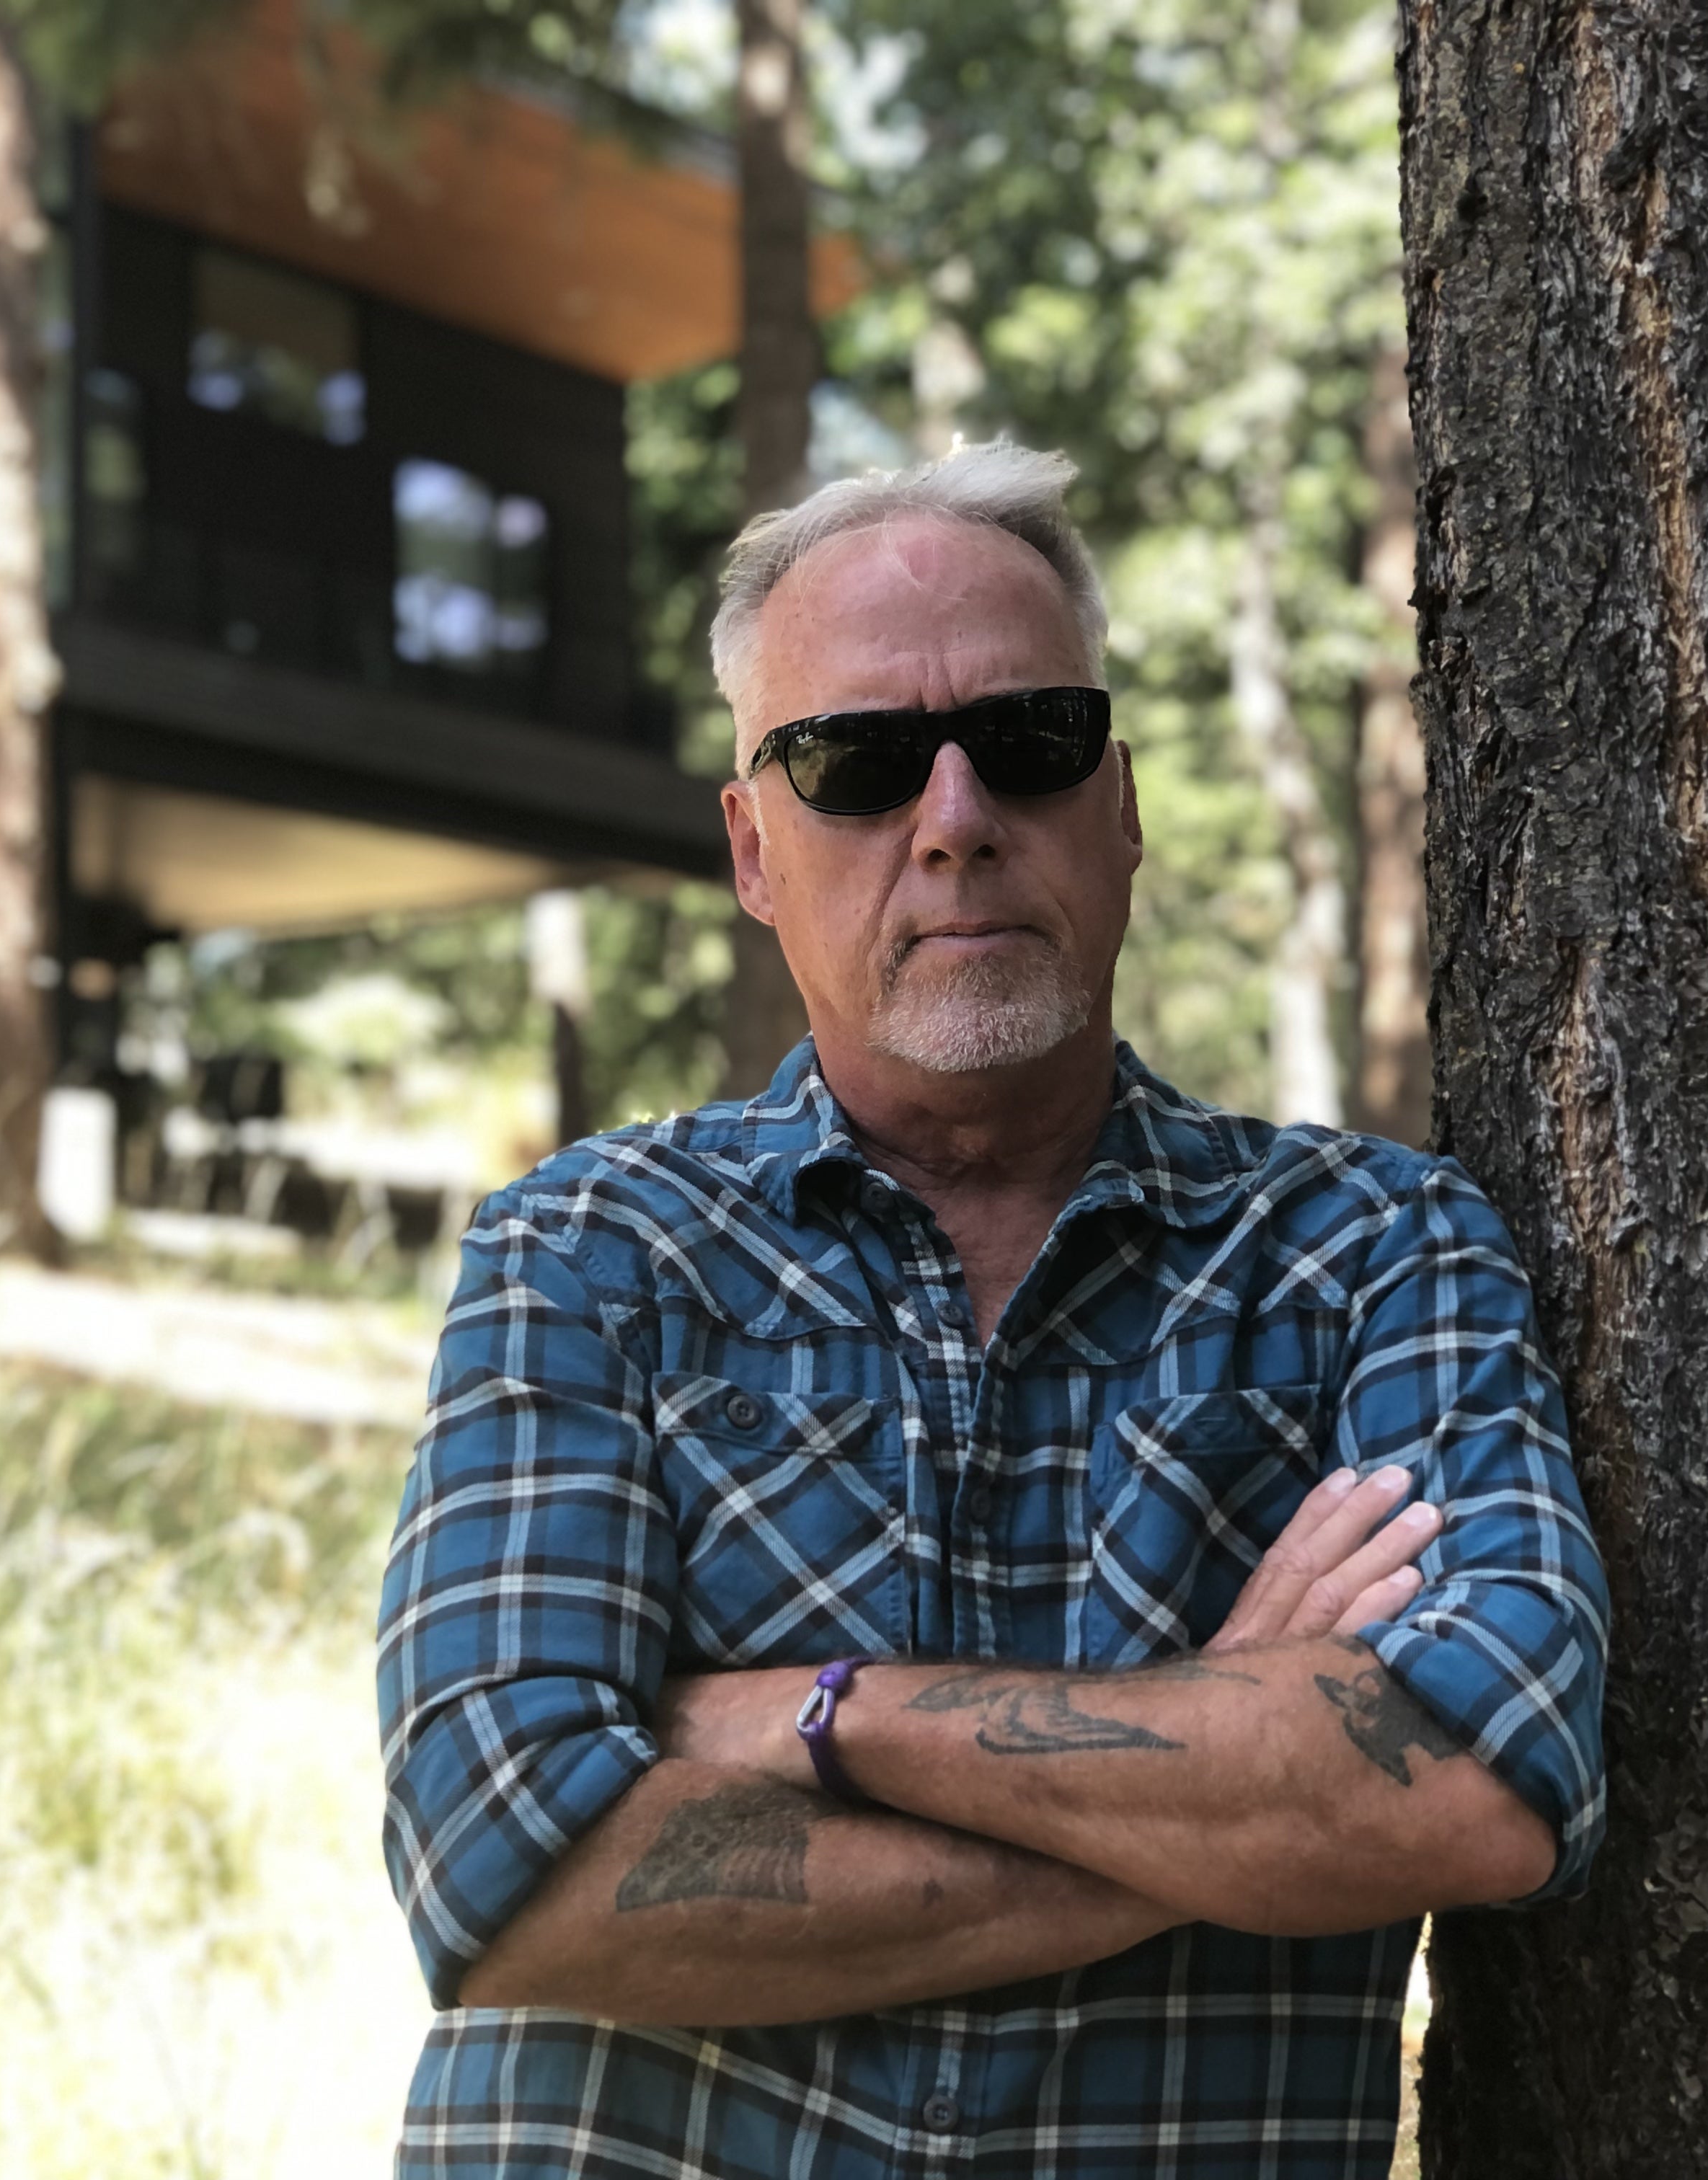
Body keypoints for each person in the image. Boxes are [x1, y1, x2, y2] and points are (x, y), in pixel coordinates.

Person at [374, 442, 1606, 2179]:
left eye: (1027, 743)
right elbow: (509, 1875)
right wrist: (1226, 1761)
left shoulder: (1377, 1253)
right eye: (858, 764)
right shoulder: (590, 1253)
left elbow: (1481, 1779)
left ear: (1120, 803)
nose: (954, 817)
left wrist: (818, 1714)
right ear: (751, 849)